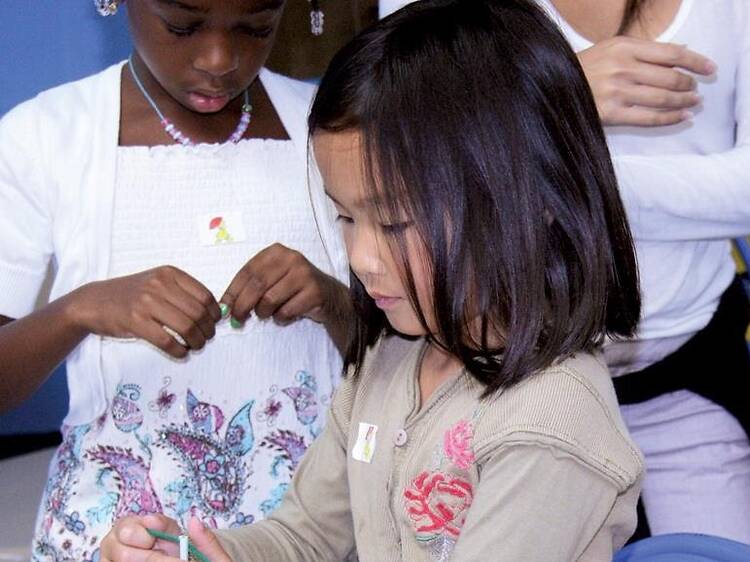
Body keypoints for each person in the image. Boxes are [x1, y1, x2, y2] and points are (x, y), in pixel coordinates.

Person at [99, 1, 645, 560]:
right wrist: (197, 555)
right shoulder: (391, 361)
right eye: (345, 217)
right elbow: (302, 538)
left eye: (394, 222)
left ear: (530, 201)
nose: (360, 257)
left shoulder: (548, 423)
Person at [0, 0, 352, 559]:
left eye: (255, 28)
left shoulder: (333, 132)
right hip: (121, 543)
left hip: (308, 537)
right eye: (182, 26)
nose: (218, 59)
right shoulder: (44, 138)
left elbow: (408, 360)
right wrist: (79, 310)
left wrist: (334, 303)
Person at [535, 0, 750, 542]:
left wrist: (571, 179)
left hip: (689, 372)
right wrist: (555, 96)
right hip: (517, 382)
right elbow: (409, 154)